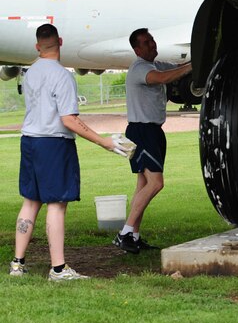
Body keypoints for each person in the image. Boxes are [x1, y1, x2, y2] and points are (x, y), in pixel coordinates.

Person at [11, 24, 123, 281]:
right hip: (53, 144)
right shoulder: (62, 76)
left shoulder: (30, 74)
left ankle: (17, 264)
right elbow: (69, 120)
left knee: (30, 201)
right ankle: (58, 269)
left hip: (29, 141)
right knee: (57, 204)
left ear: (38, 45)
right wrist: (102, 141)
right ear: (60, 41)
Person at [112, 28, 192, 254]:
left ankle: (134, 236)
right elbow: (164, 78)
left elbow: (175, 70)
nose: (152, 45)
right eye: (146, 43)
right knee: (156, 183)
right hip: (142, 131)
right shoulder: (140, 68)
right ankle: (125, 233)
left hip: (152, 131)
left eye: (152, 40)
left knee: (143, 185)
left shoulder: (156, 64)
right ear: (137, 49)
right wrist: (193, 66)